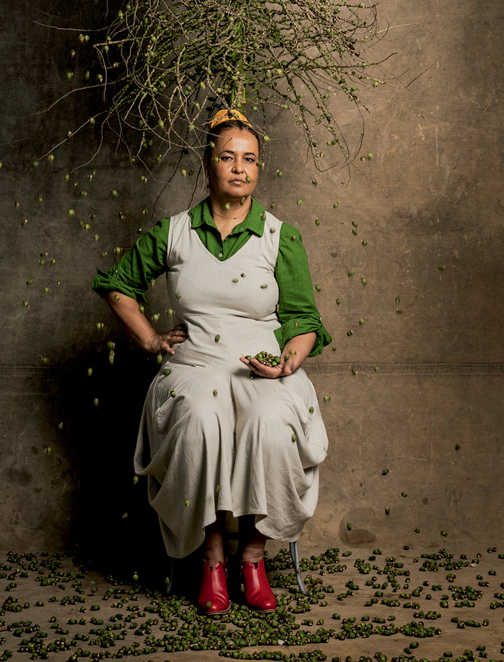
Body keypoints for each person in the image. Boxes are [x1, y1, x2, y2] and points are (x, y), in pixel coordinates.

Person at [92, 108, 331, 614]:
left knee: (270, 424)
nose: (240, 168)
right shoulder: (173, 232)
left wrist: (287, 363)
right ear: (207, 164)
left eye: (250, 160)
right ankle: (213, 557)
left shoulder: (279, 236)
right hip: (194, 364)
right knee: (198, 422)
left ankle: (253, 556)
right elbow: (117, 287)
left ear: (259, 169)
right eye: (228, 158)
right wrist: (153, 340)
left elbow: (304, 320)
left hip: (264, 365)